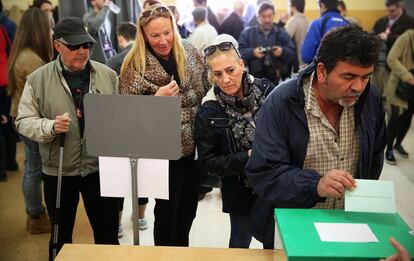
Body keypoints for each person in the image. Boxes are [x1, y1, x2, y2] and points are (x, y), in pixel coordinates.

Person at [245, 25, 386, 246]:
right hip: (293, 227)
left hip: (349, 228)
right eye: (349, 76)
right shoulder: (282, 102)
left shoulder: (371, 99)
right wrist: (316, 184)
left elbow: (374, 157)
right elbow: (265, 173)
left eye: (366, 77)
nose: (359, 87)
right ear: (322, 71)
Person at [15, 17, 119, 259]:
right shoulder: (38, 79)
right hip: (59, 171)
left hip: (99, 169)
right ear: (57, 45)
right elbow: (22, 121)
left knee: (108, 235)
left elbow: (120, 117)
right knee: (61, 237)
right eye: (74, 46)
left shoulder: (107, 75)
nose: (82, 51)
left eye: (86, 45)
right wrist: (49, 126)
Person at [119, 3, 209, 246]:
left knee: (188, 210)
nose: (162, 40)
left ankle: (182, 251)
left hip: (195, 149)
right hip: (162, 152)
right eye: (155, 35)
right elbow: (125, 113)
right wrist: (154, 102)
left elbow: (208, 90)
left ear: (174, 28)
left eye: (167, 32)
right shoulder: (134, 64)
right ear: (144, 35)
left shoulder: (190, 52)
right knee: (167, 214)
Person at [195, 34, 275, 248]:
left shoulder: (267, 90)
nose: (225, 80)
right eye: (217, 74)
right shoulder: (208, 111)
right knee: (240, 241)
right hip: (239, 189)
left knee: (274, 242)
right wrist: (247, 157)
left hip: (276, 182)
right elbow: (208, 162)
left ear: (242, 64)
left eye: (230, 70)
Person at [8, 7, 53, 235]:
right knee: (34, 167)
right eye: (49, 27)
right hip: (30, 120)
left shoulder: (22, 53)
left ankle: (34, 212)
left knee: (31, 166)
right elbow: (42, 96)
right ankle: (36, 214)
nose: (52, 30)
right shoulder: (32, 59)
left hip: (21, 116)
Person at [105, 22, 148, 237]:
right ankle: (140, 218)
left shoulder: (112, 61)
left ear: (121, 38)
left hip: (119, 128)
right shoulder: (148, 58)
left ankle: (117, 224)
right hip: (146, 126)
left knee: (119, 180)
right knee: (145, 176)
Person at [238, 1, 296, 85]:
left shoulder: (281, 33)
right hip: (253, 81)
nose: (267, 20)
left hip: (277, 82)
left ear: (274, 15)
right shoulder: (247, 33)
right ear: (257, 17)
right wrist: (252, 52)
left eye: (269, 16)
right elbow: (238, 54)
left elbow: (292, 53)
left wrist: (282, 51)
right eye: (263, 16)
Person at [383, 29, 414, 165]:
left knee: (408, 117)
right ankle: (389, 148)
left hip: (412, 89)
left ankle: (398, 144)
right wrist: (407, 76)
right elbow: (391, 58)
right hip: (399, 86)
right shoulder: (406, 37)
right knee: (395, 118)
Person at [371, 0, 414, 95]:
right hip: (377, 65)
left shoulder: (410, 22)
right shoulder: (381, 21)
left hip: (394, 67)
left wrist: (388, 38)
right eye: (387, 10)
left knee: (389, 96)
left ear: (400, 7)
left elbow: (407, 42)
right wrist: (376, 37)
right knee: (374, 94)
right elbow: (372, 36)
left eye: (392, 11)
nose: (389, 13)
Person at [301, 0, 348, 65]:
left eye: (318, 7)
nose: (318, 10)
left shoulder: (317, 23)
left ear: (322, 5)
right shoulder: (348, 24)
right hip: (344, 71)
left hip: (323, 70)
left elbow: (306, 56)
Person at [0, 0, 17, 173]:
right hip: (6, 80)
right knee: (7, 121)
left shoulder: (6, 27)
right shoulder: (9, 26)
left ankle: (2, 170)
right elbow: (12, 52)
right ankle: (11, 163)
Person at [285, 0, 308, 69]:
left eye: (289, 6)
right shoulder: (307, 21)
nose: (288, 9)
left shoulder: (294, 21)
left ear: (294, 6)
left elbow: (284, 40)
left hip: (297, 64)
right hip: (306, 62)